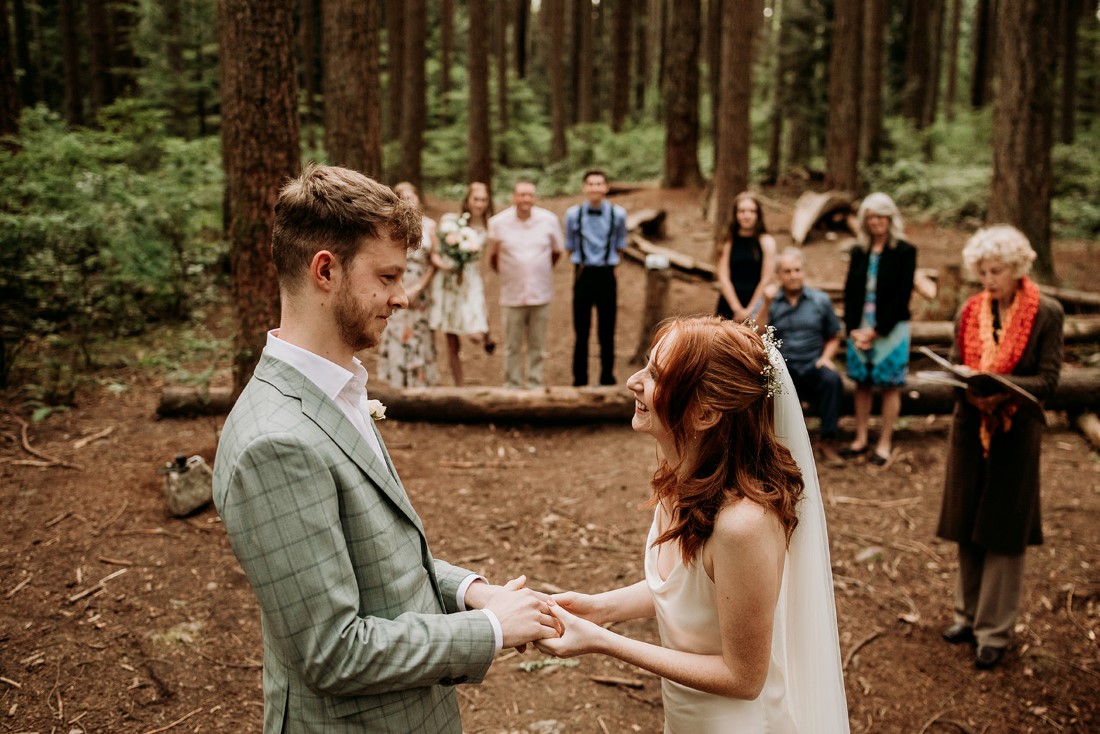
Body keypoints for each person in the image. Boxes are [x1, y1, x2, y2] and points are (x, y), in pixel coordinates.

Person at [212, 164, 561, 733]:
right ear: (325, 270)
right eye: (388, 277)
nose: (401, 297)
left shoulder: (337, 385)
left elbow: (377, 559)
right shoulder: (275, 444)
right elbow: (332, 650)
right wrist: (492, 631)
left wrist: (473, 592)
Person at [536, 316, 850, 733]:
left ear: (704, 414)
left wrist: (603, 642)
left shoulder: (744, 525)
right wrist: (601, 608)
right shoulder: (681, 481)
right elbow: (690, 590)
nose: (633, 381)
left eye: (656, 376)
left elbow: (743, 679)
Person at [935, 225, 1063, 670]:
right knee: (968, 520)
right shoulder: (969, 310)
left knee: (1004, 530)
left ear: (1019, 267)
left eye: (998, 270)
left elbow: (1047, 381)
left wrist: (1003, 392)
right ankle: (966, 616)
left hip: (1015, 433)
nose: (989, 279)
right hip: (970, 428)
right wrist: (968, 391)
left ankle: (994, 632)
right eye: (983, 271)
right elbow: (954, 368)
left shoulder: (1047, 313)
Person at [840, 192, 917, 466]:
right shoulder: (859, 251)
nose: (876, 221)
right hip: (859, 327)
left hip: (891, 328)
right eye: (871, 216)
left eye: (881, 216)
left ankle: (884, 442)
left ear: (890, 218)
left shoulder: (906, 251)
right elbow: (850, 290)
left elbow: (902, 294)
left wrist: (877, 330)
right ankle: (860, 438)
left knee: (889, 385)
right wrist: (852, 329)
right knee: (862, 383)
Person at [760, 247, 844, 465]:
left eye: (797, 270)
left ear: (804, 272)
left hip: (812, 364)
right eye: (787, 271)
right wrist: (767, 303)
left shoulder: (820, 301)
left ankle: (827, 442)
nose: (793, 275)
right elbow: (757, 332)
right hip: (783, 368)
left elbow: (834, 336)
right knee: (763, 384)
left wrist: (826, 358)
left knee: (832, 380)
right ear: (779, 275)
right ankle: (773, 446)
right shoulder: (771, 301)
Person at [487, 180, 564, 389]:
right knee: (512, 345)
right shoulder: (498, 222)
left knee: (537, 344)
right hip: (512, 294)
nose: (526, 199)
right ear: (514, 197)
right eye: (521, 195)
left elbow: (557, 252)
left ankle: (535, 383)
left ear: (535, 198)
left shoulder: (549, 220)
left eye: (530, 195)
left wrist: (539, 270)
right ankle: (511, 385)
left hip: (541, 292)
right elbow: (493, 258)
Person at [563, 169, 628, 386]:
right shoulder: (573, 214)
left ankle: (607, 378)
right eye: (590, 184)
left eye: (599, 183)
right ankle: (579, 380)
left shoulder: (618, 215)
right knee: (581, 331)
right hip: (582, 273)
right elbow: (569, 246)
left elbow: (620, 245)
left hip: (606, 275)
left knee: (607, 331)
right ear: (584, 188)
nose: (595, 188)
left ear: (606, 188)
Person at [428, 182, 495, 386]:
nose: (480, 204)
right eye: (476, 199)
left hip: (471, 280)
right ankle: (460, 386)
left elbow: (484, 263)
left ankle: (486, 335)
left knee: (474, 334)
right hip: (448, 280)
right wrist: (444, 266)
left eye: (484, 200)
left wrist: (483, 287)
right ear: (467, 201)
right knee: (452, 339)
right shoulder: (451, 223)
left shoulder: (488, 228)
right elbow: (436, 252)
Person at [376, 181, 440, 387]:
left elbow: (434, 262)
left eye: (412, 196)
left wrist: (419, 287)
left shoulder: (430, 226)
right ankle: (397, 383)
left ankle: (422, 383)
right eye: (404, 197)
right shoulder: (390, 230)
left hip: (420, 290)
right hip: (395, 288)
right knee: (397, 333)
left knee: (420, 334)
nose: (410, 201)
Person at [716, 191, 777, 321]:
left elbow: (766, 279)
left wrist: (750, 310)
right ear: (735, 214)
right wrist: (736, 308)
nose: (746, 216)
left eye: (752, 211)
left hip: (757, 303)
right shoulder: (728, 241)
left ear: (758, 215)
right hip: (729, 302)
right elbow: (723, 276)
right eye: (742, 211)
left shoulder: (767, 242)